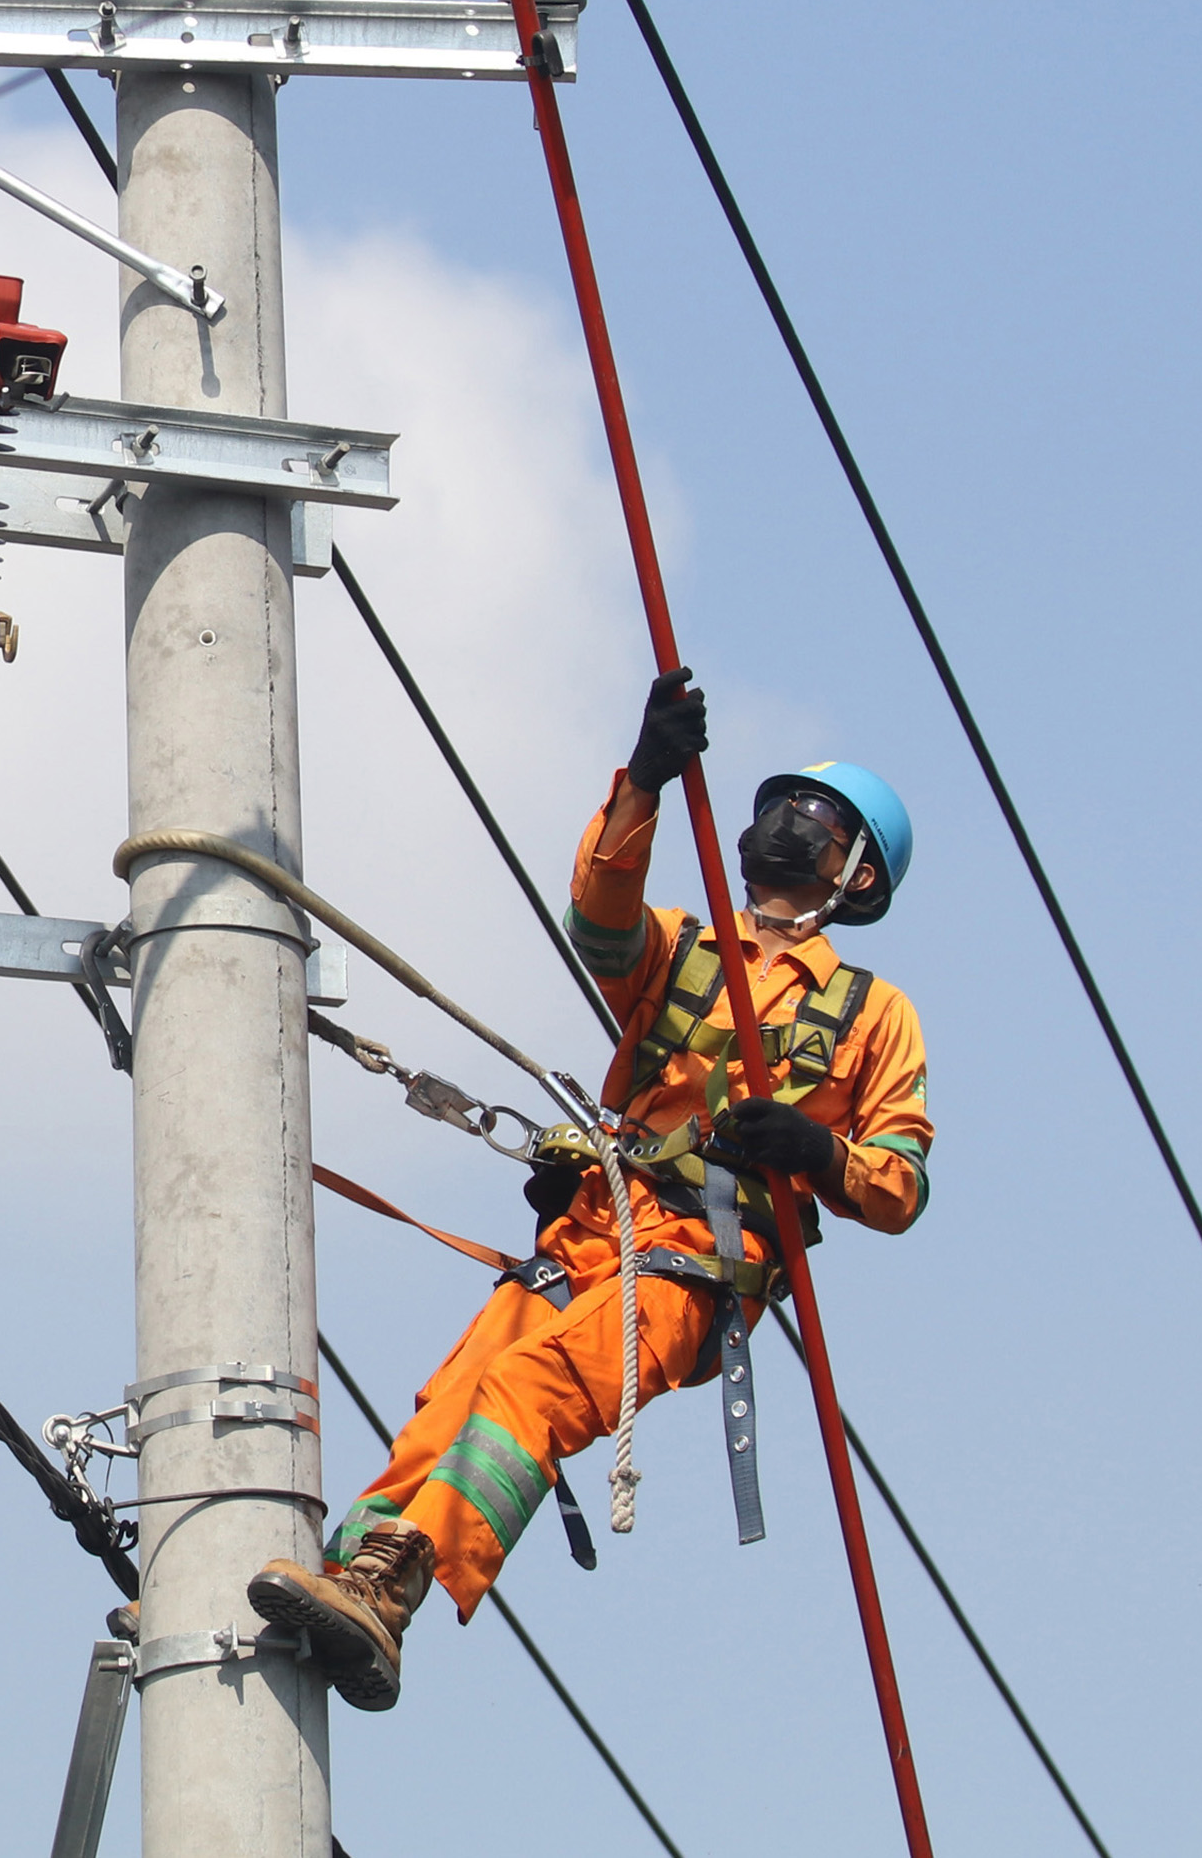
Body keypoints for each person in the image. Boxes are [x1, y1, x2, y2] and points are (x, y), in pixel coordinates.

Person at [248, 670, 934, 1708]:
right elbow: (600, 925)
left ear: (858, 879)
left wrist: (813, 1150)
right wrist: (644, 780)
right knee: (455, 1400)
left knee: (532, 1391)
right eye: (782, 806)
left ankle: (395, 1591)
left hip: (697, 1264)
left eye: (819, 820)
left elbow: (900, 1185)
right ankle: (351, 1573)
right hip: (591, 1231)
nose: (788, 823)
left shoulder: (870, 1013)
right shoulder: (688, 951)